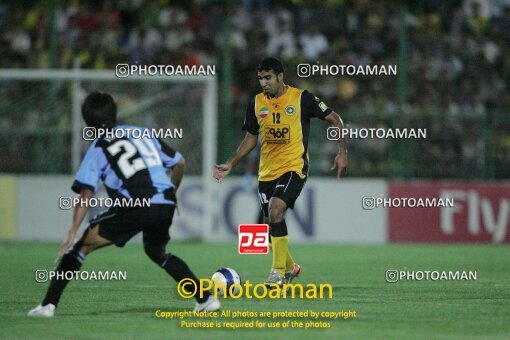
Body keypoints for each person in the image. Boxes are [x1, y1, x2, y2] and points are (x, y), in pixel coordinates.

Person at [28, 92, 219, 317]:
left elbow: (86, 193)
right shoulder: (142, 133)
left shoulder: (98, 148)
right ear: (115, 113)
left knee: (80, 247)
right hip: (164, 201)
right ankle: (205, 299)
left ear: (88, 122)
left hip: (137, 203)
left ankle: (48, 306)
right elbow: (179, 162)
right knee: (157, 252)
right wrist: (173, 192)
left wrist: (72, 232)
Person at [213, 57, 347, 287]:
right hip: (267, 172)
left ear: (280, 77)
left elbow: (335, 119)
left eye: (268, 78)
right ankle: (290, 267)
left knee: (276, 210)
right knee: (268, 227)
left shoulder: (302, 98)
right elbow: (250, 138)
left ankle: (277, 273)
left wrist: (342, 151)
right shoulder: (256, 103)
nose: (264, 83)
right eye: (261, 79)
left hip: (294, 166)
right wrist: (231, 163)